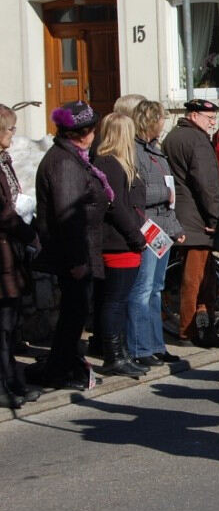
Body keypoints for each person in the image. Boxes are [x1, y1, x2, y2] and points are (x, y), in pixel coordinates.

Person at [33, 101, 109, 391]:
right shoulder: (64, 162)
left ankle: (62, 366)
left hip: (82, 249)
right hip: (75, 254)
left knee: (75, 313)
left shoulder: (72, 157)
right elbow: (68, 215)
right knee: (73, 314)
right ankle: (59, 370)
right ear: (83, 133)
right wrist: (78, 260)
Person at [162, 98, 219, 347]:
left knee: (194, 275)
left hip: (179, 213)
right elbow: (206, 183)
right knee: (196, 278)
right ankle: (189, 330)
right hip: (196, 218)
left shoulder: (172, 137)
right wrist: (214, 216)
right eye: (209, 119)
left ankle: (198, 326)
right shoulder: (198, 141)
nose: (212, 123)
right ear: (195, 115)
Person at [127, 100, 184, 368]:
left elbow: (168, 196)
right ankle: (140, 346)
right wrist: (165, 194)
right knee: (143, 289)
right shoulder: (134, 152)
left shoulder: (155, 151)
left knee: (156, 289)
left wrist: (175, 229)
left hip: (162, 229)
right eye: (162, 118)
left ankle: (156, 345)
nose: (164, 123)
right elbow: (135, 192)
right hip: (146, 227)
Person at [91, 113, 149, 378]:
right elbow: (117, 207)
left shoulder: (117, 163)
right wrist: (136, 236)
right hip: (118, 242)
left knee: (120, 300)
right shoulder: (109, 164)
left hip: (125, 240)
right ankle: (113, 354)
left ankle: (121, 351)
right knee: (114, 300)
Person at [0, 105, 41, 407]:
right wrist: (29, 234)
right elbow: (3, 212)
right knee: (2, 325)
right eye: (11, 129)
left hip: (10, 251)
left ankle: (12, 379)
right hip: (2, 251)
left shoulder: (4, 160)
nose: (14, 135)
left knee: (10, 323)